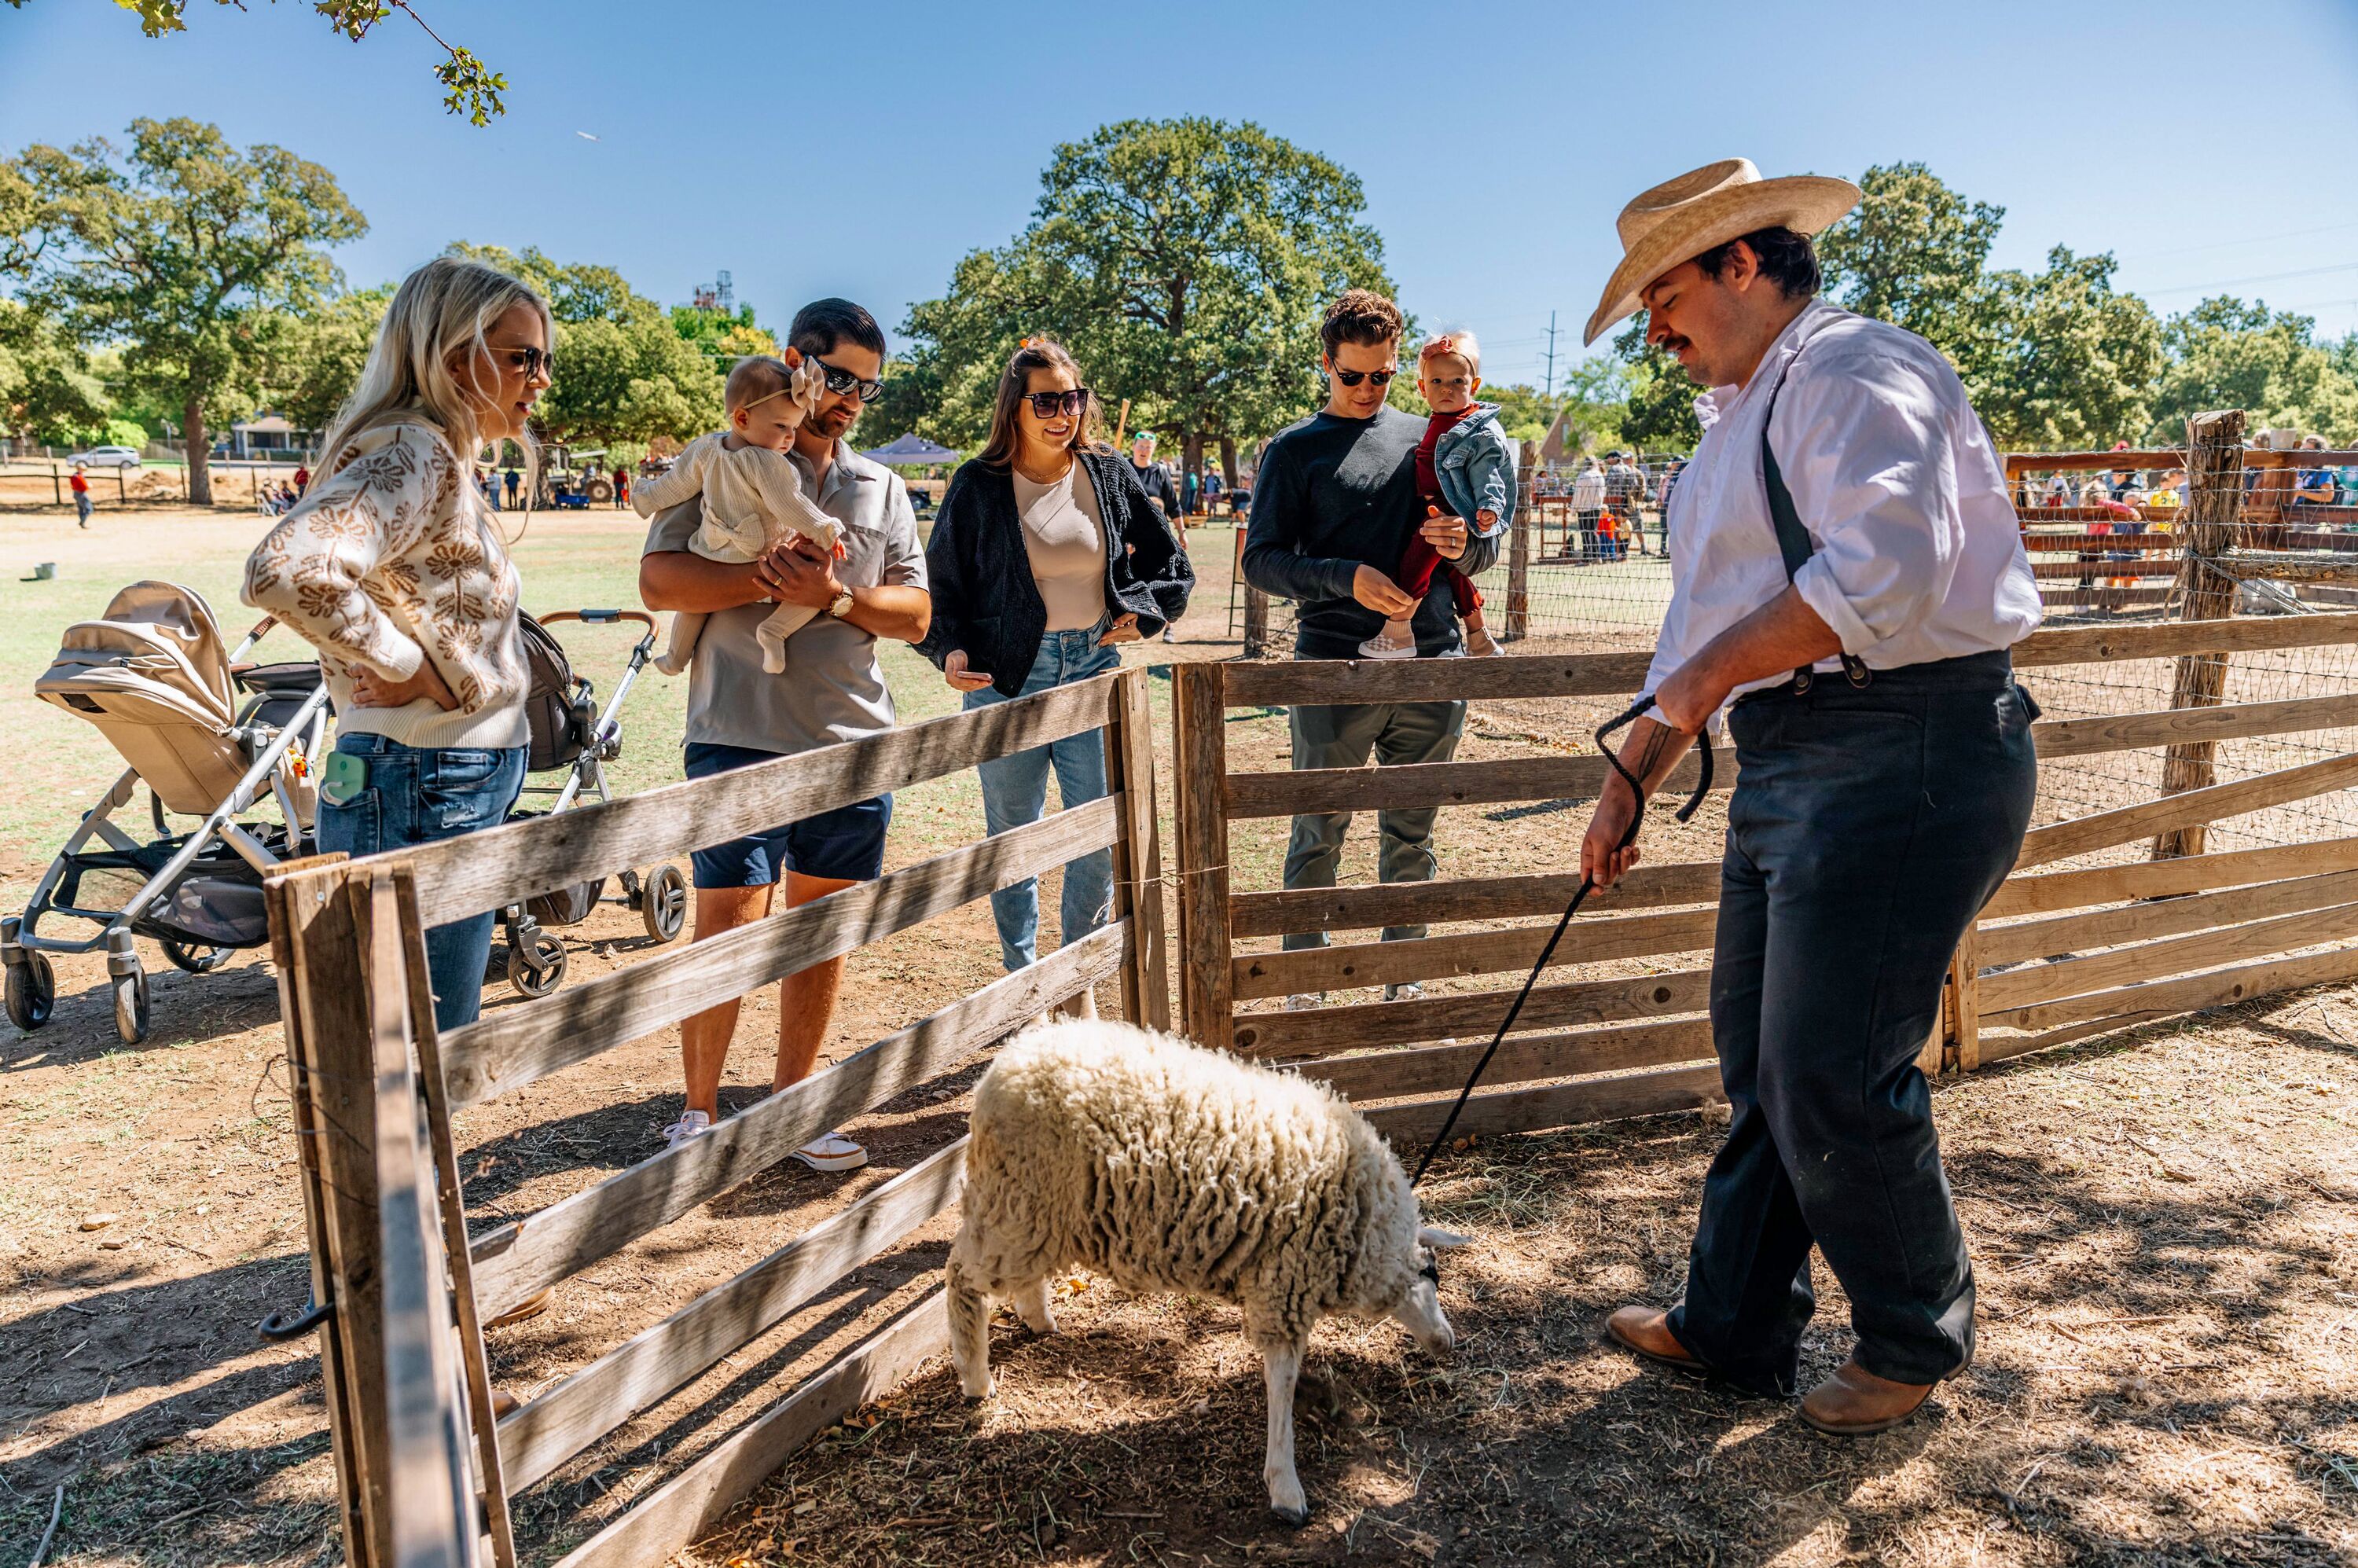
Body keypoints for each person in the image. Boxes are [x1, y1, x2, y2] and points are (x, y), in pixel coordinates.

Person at [1575, 159, 2041, 1435]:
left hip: (1905, 742)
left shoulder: (1854, 371)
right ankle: (1733, 1323)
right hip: (1795, 756)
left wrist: (1706, 685)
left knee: (1830, 1065)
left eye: (1664, 294)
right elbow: (1701, 634)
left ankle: (1911, 1339)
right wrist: (1631, 776)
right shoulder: (1740, 419)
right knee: (1764, 1059)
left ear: (1740, 261)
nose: (1656, 330)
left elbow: (1890, 568)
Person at [637, 297, 931, 1169]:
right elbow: (658, 582)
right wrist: (756, 580)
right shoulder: (722, 458)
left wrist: (835, 598)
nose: (848, 400)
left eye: (866, 390)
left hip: (852, 741)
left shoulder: (881, 487)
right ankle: (698, 1114)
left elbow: (915, 614)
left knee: (822, 930)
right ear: (796, 363)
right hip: (735, 729)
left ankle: (797, 1107)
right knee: (726, 924)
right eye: (837, 379)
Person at [242, 255, 549, 1032]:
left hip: (417, 777)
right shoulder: (414, 451)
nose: (540, 379)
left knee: (410, 1045)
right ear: (453, 358)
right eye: (523, 357)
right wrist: (410, 666)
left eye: (543, 358)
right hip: (421, 778)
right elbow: (288, 569)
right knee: (415, 1050)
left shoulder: (433, 453)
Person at [1240, 288, 1500, 1006]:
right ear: (1326, 364)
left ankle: (1402, 976)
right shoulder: (1293, 452)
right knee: (1317, 831)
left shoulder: (1438, 437)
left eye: (1381, 376)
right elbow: (1259, 560)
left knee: (1411, 835)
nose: (1365, 390)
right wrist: (1342, 579)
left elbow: (1479, 557)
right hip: (1332, 671)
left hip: (1431, 667)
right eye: (1351, 375)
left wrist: (1468, 543)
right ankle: (1304, 982)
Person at [920, 336, 1192, 990]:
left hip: (1091, 671)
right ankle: (1023, 987)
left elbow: (1171, 566)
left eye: (1072, 398)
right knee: (1013, 843)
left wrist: (1146, 613)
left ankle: (1074, 983)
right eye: (1046, 400)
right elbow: (939, 590)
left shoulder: (1108, 469)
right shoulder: (978, 485)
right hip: (1002, 681)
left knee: (1097, 835)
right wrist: (947, 651)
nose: (1062, 413)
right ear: (1015, 406)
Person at [633, 354, 844, 677]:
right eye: (781, 426)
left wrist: (646, 497)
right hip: (762, 555)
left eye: (794, 427)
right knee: (811, 591)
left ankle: (675, 657)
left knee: (696, 606)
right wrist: (825, 530)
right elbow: (790, 504)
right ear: (742, 418)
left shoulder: (705, 448)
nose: (790, 437)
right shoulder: (768, 462)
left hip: (712, 552)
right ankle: (774, 633)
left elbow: (675, 485)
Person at [1358, 330, 1513, 660]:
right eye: (1438, 381)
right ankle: (1480, 638)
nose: (1447, 388)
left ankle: (1399, 630)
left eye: (1458, 381)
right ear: (1422, 388)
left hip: (1446, 512)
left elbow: (1489, 469)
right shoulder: (1436, 421)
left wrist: (1489, 504)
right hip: (1433, 508)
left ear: (1474, 385)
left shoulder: (1474, 428)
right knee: (1453, 573)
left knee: (1414, 566)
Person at [1127, 432, 1181, 523]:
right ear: (1133, 446)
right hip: (1127, 532)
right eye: (1141, 446)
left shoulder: (1161, 471)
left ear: (1154, 449)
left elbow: (1173, 506)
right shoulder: (1123, 468)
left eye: (1148, 447)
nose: (1144, 450)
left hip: (1155, 530)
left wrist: (1182, 532)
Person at [1605, 450, 1650, 555]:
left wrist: (1636, 499)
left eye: (1628, 459)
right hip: (1622, 503)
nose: (1626, 461)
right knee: (1623, 528)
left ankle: (1643, 548)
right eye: (1624, 459)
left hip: (1631, 504)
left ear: (1632, 459)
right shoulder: (1625, 470)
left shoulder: (1637, 472)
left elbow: (1642, 489)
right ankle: (1622, 551)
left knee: (1637, 527)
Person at [1568, 457, 1607, 560]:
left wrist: (1572, 510)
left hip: (1584, 508)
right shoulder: (1600, 476)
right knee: (1593, 531)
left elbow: (1577, 495)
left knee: (1585, 532)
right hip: (1596, 507)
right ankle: (1597, 556)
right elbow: (1603, 493)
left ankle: (1587, 558)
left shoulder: (1583, 476)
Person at [69, 462, 91, 528]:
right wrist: (89, 486)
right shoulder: (79, 477)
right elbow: (84, 486)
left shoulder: (74, 476)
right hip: (81, 494)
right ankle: (82, 522)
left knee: (81, 509)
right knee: (89, 509)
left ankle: (82, 523)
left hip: (76, 494)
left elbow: (73, 486)